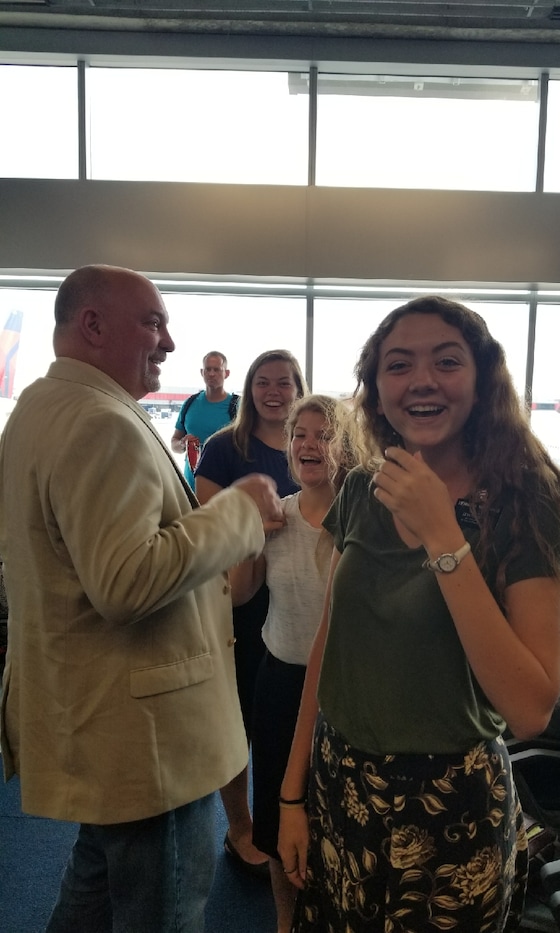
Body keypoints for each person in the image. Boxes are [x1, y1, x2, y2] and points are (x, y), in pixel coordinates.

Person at [278, 296, 560, 932]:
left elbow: (530, 708)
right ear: (378, 389)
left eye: (446, 361)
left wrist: (444, 539)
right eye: (399, 365)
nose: (421, 380)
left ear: (481, 381)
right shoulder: (367, 487)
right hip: (342, 780)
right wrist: (291, 793)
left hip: (449, 804)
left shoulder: (524, 501)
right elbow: (330, 643)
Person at [0, 265, 283, 933]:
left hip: (103, 719)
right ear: (92, 325)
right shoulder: (101, 422)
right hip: (146, 737)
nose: (170, 342)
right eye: (153, 321)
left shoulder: (39, 410)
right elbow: (124, 581)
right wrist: (237, 512)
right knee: (160, 909)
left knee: (92, 894)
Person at [229, 394, 362, 932]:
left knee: (338, 820)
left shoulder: (359, 522)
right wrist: (250, 540)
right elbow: (240, 596)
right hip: (281, 683)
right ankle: (285, 922)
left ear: (345, 448)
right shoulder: (276, 515)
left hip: (344, 689)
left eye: (323, 435)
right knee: (280, 821)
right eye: (298, 435)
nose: (308, 444)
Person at [195, 348, 308, 875]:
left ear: (298, 387)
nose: (274, 392)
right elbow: (206, 532)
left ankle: (289, 816)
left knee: (288, 720)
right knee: (235, 720)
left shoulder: (311, 447)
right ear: (249, 388)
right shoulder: (224, 448)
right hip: (239, 599)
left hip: (300, 603)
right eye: (263, 382)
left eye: (284, 382)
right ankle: (240, 828)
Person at [171, 351, 239, 490]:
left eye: (217, 369)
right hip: (191, 489)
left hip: (226, 491)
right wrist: (183, 444)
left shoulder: (238, 406)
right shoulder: (190, 403)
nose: (212, 374)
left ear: (226, 373)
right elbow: (174, 443)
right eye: (208, 369)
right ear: (202, 372)